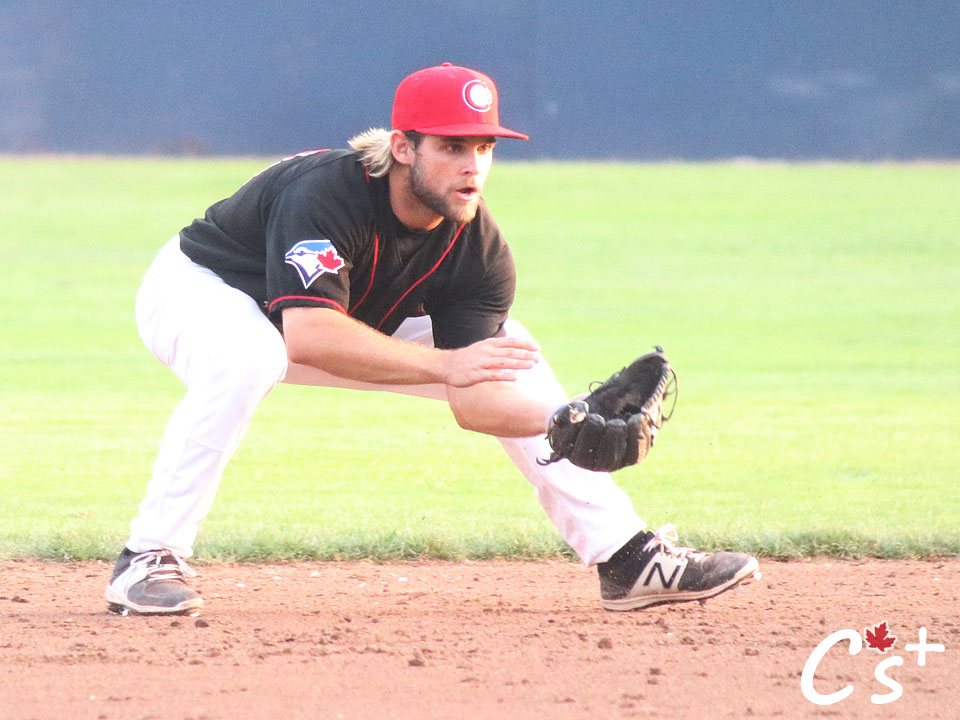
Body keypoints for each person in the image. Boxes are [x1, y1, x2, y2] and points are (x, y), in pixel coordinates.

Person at [106, 63, 758, 616]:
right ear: (402, 147)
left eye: (485, 148)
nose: (472, 165)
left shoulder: (479, 249)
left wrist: (566, 417)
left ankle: (628, 559)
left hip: (343, 315)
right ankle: (147, 557)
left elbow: (474, 400)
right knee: (253, 354)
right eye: (452, 146)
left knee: (512, 355)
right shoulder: (326, 194)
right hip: (205, 292)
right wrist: (447, 362)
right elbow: (306, 336)